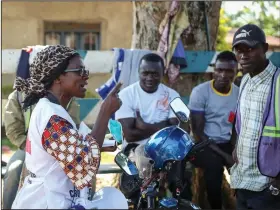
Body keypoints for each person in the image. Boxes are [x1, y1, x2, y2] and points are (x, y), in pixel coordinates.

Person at [11, 45, 126, 209]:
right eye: (79, 71)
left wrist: (104, 144)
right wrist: (105, 111)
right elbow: (84, 167)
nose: (86, 77)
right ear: (58, 76)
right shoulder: (52, 118)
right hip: (45, 202)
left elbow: (71, 147)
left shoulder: (52, 110)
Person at [115, 53, 193, 200]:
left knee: (181, 185)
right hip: (133, 148)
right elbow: (130, 135)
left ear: (162, 73)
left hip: (167, 149)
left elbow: (181, 130)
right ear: (139, 72)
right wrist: (166, 126)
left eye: (155, 74)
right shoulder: (126, 95)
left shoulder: (171, 95)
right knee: (133, 189)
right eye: (145, 73)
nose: (149, 78)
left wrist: (142, 126)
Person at [230, 24, 280, 209]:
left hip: (268, 187)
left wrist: (277, 184)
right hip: (243, 180)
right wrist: (237, 147)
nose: (243, 55)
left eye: (250, 48)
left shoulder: (278, 82)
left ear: (265, 49)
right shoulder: (244, 81)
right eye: (239, 50)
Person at [3, 89, 80, 209]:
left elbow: (74, 125)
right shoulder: (17, 96)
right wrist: (32, 147)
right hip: (28, 148)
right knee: (14, 169)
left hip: (60, 149)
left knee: (84, 171)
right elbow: (13, 130)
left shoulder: (66, 95)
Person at [188, 51, 239, 209]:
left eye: (229, 71)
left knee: (245, 169)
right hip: (203, 144)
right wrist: (225, 155)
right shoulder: (200, 92)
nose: (223, 75)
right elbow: (197, 132)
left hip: (226, 142)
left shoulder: (238, 92)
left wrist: (236, 150)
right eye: (219, 70)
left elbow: (237, 126)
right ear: (214, 70)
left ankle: (242, 203)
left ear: (236, 72)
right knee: (214, 167)